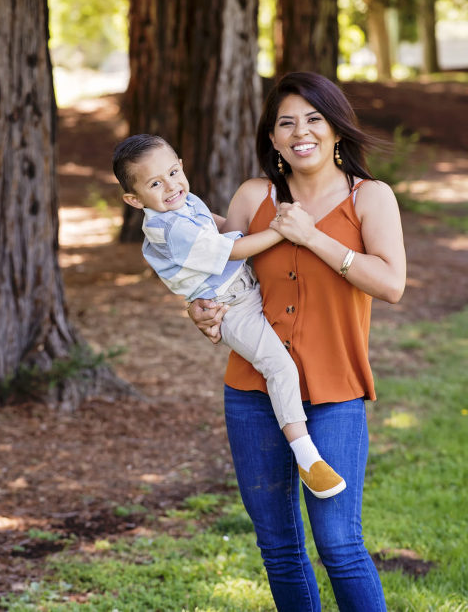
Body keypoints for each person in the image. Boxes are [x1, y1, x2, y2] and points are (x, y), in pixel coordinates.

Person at [188, 71, 406, 612]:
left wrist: (312, 236)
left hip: (335, 392)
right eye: (286, 122)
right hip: (252, 392)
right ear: (272, 137)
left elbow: (392, 284)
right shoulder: (254, 196)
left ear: (335, 129)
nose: (300, 132)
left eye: (314, 118)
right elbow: (215, 272)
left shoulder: (370, 197)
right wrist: (200, 307)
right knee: (280, 549)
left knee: (340, 545)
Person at [112, 134, 346, 499]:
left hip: (246, 291)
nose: (171, 185)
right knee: (279, 367)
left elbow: (217, 226)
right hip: (230, 308)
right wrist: (281, 232)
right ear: (134, 198)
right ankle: (308, 458)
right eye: (156, 183)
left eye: (173, 172)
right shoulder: (170, 229)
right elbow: (232, 248)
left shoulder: (181, 203)